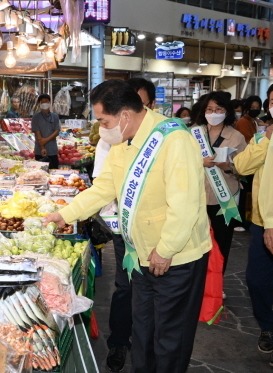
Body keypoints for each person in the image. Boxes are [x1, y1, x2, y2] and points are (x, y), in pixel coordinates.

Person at [43, 80, 211, 373]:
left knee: (170, 336)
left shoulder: (173, 139)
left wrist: (166, 249)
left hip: (175, 256)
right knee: (143, 330)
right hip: (140, 254)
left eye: (103, 121)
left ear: (124, 115)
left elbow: (185, 203)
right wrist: (66, 214)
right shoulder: (123, 142)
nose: (102, 128)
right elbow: (105, 186)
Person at [101, 77, 158, 372]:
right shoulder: (114, 138)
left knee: (150, 296)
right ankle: (119, 342)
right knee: (125, 288)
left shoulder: (166, 137)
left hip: (157, 238)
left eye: (141, 104)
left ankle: (145, 347)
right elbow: (103, 184)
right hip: (124, 228)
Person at [239, 78, 273, 370]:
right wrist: (268, 140)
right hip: (263, 221)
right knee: (258, 281)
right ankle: (267, 325)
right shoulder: (262, 136)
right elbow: (242, 166)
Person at [194, 92, 246, 276]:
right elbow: (180, 162)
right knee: (196, 244)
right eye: (209, 109)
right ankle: (197, 283)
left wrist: (228, 167)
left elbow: (244, 169)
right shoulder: (193, 133)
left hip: (224, 199)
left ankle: (217, 284)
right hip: (196, 197)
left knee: (222, 243)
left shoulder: (237, 136)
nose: (213, 113)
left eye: (218, 109)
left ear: (227, 111)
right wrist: (199, 162)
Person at [32, 94, 60, 169]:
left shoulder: (55, 116)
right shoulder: (36, 117)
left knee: (54, 173)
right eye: (42, 102)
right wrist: (42, 148)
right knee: (40, 174)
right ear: (39, 104)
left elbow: (57, 131)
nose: (44, 103)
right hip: (40, 151)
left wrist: (45, 140)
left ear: (50, 102)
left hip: (53, 150)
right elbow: (38, 134)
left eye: (46, 101)